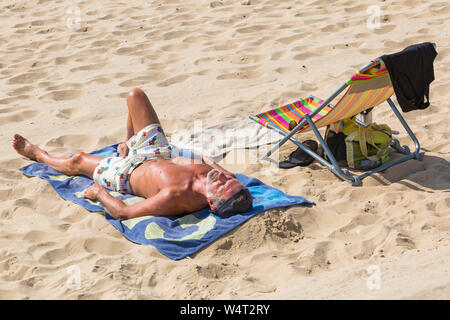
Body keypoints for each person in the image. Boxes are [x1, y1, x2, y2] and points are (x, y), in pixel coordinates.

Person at [12, 88, 252, 220]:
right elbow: (209, 161)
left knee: (77, 160)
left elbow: (123, 212)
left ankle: (38, 154)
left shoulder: (176, 198)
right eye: (229, 179)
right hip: (158, 151)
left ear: (211, 202)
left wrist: (99, 192)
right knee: (135, 95)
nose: (223, 177)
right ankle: (127, 140)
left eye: (223, 184)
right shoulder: (228, 180)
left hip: (126, 174)